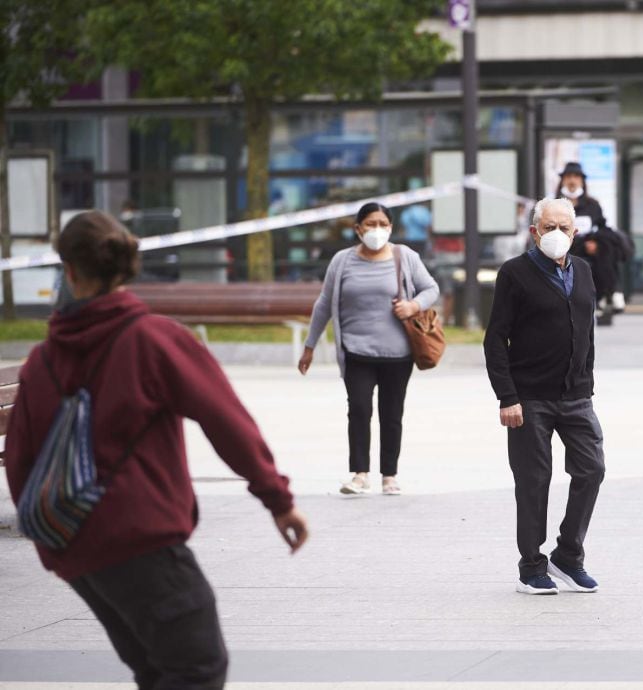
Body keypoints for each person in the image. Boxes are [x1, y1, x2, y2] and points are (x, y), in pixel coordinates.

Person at [4, 211, 308, 689]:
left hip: (77, 550)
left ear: (69, 272)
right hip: (143, 541)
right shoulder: (155, 340)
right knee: (197, 669)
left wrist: (52, 543)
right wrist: (278, 499)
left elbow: (20, 461)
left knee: (157, 672)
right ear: (125, 267)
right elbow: (226, 422)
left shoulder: (42, 361)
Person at [483, 196, 605, 595]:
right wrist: (507, 396)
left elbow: (587, 332)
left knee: (592, 470)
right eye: (548, 227)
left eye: (564, 228)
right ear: (534, 231)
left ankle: (568, 555)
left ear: (575, 231)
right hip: (528, 398)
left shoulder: (584, 271)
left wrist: (586, 381)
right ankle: (531, 566)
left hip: (576, 397)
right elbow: (495, 338)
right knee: (534, 481)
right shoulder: (515, 274)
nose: (556, 234)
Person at [299, 202, 439, 496]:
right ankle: (360, 474)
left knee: (392, 414)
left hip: (398, 353)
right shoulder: (342, 261)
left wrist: (413, 305)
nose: (377, 230)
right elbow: (323, 304)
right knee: (359, 410)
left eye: (382, 224)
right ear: (358, 229)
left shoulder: (405, 257)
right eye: (370, 224)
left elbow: (431, 289)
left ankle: (389, 475)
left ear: (390, 227)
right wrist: (310, 345)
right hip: (356, 351)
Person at [556, 162, 622, 325]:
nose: (572, 181)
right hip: (566, 250)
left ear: (582, 181)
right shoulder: (555, 205)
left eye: (576, 177)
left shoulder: (592, 205)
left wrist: (595, 243)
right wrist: (582, 244)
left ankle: (609, 292)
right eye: (568, 177)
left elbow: (602, 227)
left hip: (592, 252)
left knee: (607, 245)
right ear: (563, 180)